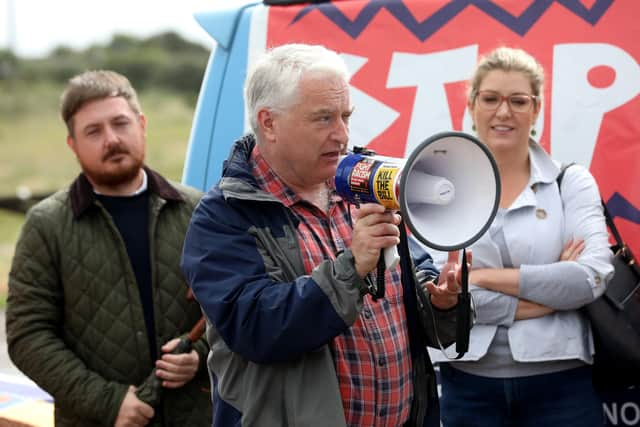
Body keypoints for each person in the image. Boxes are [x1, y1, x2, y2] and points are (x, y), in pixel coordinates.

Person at [179, 43, 469, 427]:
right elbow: (256, 329)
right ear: (269, 122)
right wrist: (353, 267)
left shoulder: (368, 184)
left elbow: (414, 296)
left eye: (346, 116)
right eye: (324, 119)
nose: (342, 134)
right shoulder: (223, 216)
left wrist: (442, 302)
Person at [5, 70, 212, 427]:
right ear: (72, 144)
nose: (111, 139)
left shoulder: (198, 211)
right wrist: (106, 401)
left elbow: (233, 305)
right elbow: (27, 335)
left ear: (141, 124)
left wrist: (200, 355)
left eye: (120, 123)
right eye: (93, 131)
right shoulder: (47, 224)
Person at [429, 47, 615, 426]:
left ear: (536, 109)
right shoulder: (437, 188)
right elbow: (437, 294)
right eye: (491, 98)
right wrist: (551, 297)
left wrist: (480, 278)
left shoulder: (571, 181)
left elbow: (589, 276)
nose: (503, 112)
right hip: (467, 389)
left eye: (518, 100)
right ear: (471, 105)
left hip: (562, 386)